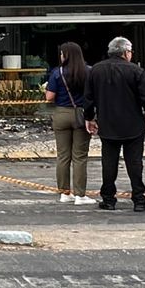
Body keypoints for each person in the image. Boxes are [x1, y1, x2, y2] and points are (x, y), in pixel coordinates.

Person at [83, 36, 145, 211]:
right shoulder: (135, 71)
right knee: (135, 163)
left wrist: (89, 117)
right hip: (133, 123)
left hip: (107, 123)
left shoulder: (95, 70)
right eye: (130, 52)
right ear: (125, 52)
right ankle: (139, 199)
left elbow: (88, 98)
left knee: (109, 163)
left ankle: (108, 198)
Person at [44, 41, 92, 205]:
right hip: (82, 115)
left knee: (63, 156)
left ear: (66, 55)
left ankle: (64, 193)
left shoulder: (58, 73)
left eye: (62, 53)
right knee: (80, 157)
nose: (60, 56)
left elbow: (49, 97)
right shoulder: (88, 71)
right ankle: (80, 195)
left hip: (61, 114)